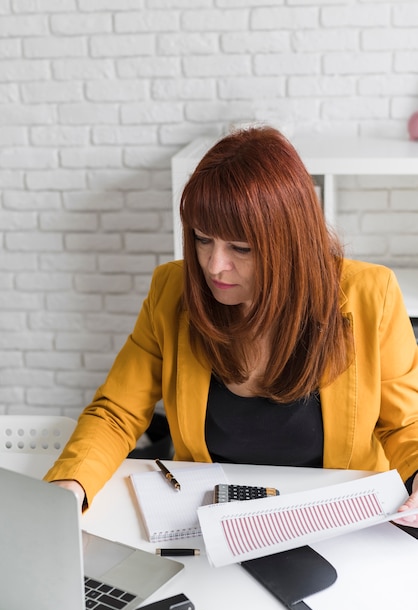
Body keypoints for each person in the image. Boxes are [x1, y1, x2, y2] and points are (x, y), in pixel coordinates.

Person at [45, 125, 418, 526]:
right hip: (207, 519)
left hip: (333, 519)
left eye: (240, 248)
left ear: (290, 243)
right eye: (203, 239)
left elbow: (406, 424)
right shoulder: (172, 291)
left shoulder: (369, 295)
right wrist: (71, 484)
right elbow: (116, 412)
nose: (213, 266)